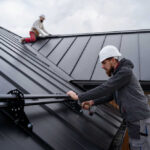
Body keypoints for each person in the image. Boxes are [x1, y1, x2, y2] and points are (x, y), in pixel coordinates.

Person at [67, 45, 150, 150]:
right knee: (135, 145)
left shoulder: (125, 72)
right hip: (134, 120)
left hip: (139, 120)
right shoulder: (119, 75)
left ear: (113, 60)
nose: (102, 66)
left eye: (104, 62)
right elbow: (110, 95)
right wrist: (92, 102)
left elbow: (106, 88)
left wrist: (78, 97)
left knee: (140, 146)